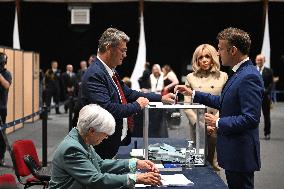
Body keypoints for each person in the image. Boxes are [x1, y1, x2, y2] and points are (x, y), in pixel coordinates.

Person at [175, 27, 263, 189]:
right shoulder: (239, 73)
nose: (217, 53)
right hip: (234, 153)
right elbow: (223, 101)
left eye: (221, 49)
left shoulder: (248, 76)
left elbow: (250, 118)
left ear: (233, 50)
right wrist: (193, 93)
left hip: (239, 155)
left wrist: (218, 122)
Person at [80, 28, 174, 159]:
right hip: (100, 146)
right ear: (109, 48)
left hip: (110, 143)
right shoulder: (95, 74)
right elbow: (108, 109)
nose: (125, 55)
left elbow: (128, 93)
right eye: (123, 50)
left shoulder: (109, 71)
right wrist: (137, 105)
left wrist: (160, 98)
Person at [49, 104, 162, 189]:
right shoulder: (72, 149)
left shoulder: (82, 139)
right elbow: (94, 180)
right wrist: (134, 178)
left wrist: (135, 163)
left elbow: (100, 164)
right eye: (105, 134)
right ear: (92, 131)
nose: (106, 137)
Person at [183, 44, 228, 171]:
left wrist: (214, 123)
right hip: (198, 126)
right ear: (196, 60)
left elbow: (226, 104)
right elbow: (187, 106)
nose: (204, 60)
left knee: (215, 164)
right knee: (198, 162)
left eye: (207, 56)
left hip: (216, 125)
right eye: (200, 57)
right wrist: (201, 125)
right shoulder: (190, 77)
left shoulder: (223, 76)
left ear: (213, 57)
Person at [255, 54, 273, 140]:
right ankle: (253, 134)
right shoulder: (252, 70)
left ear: (264, 61)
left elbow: (271, 84)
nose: (259, 61)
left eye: (261, 60)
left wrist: (265, 92)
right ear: (255, 61)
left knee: (266, 116)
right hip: (253, 98)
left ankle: (267, 133)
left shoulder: (269, 71)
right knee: (253, 116)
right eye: (258, 60)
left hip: (265, 97)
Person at [0, 52, 12, 166]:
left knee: (1, 134)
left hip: (1, 108)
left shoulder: (7, 74)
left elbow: (6, 85)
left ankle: (1, 157)